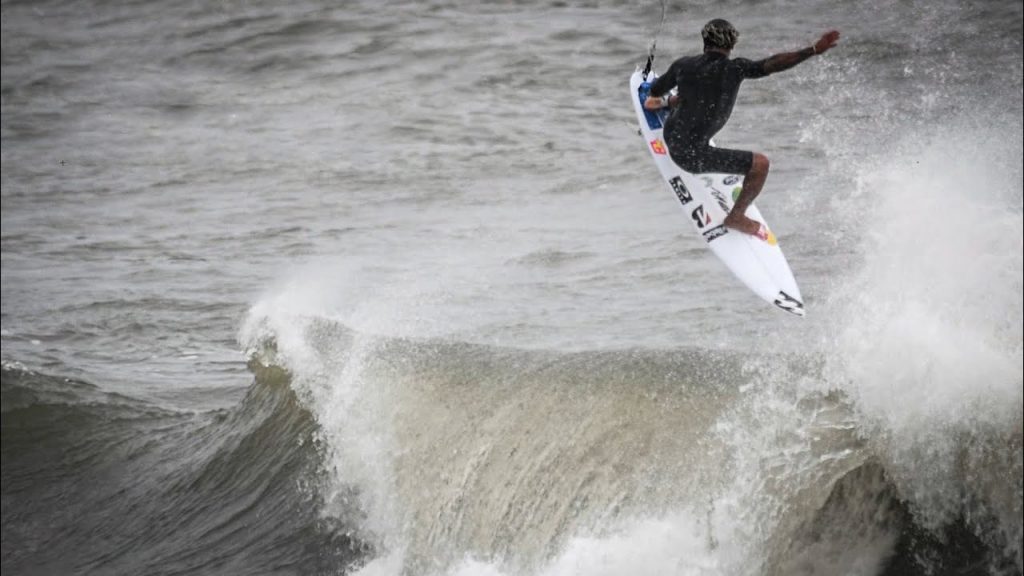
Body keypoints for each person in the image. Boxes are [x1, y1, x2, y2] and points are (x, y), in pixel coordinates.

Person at [644, 19, 840, 239]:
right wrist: (812, 50)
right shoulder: (734, 68)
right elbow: (773, 63)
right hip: (691, 156)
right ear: (732, 44)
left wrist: (665, 100)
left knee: (688, 100)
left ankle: (667, 104)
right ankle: (736, 216)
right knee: (760, 165)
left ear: (704, 41)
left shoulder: (683, 64)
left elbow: (654, 89)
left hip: (671, 136)